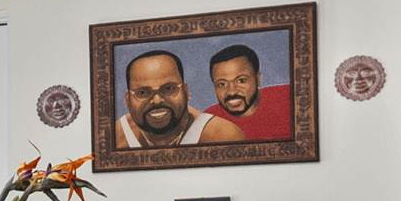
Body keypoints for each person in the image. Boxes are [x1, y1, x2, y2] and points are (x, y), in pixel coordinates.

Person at [116, 49, 244, 148]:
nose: (157, 100)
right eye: (143, 92)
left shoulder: (222, 136)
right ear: (127, 100)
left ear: (186, 91)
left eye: (169, 89)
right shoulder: (116, 136)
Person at [206, 43, 293, 142]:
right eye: (222, 84)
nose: (231, 91)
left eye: (241, 81)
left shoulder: (290, 98)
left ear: (258, 79)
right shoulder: (206, 124)